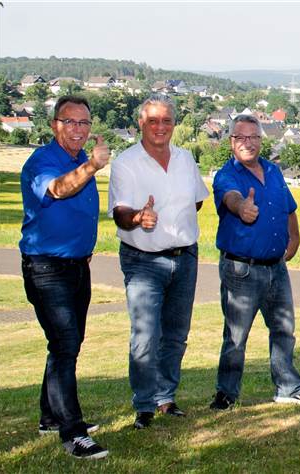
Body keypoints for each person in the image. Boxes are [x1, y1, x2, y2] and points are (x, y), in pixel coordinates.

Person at [108, 94, 209, 429]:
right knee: (145, 335)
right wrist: (139, 217)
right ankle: (144, 404)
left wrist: (173, 229)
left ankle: (166, 397)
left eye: (166, 120)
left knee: (176, 335)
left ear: (173, 124)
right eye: (153, 121)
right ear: (141, 123)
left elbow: (195, 202)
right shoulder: (126, 163)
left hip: (185, 257)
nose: (160, 127)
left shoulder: (185, 159)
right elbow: (119, 213)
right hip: (143, 261)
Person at [19, 96, 109, 459]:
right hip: (46, 267)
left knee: (66, 343)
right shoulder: (43, 161)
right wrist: (91, 167)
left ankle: (50, 417)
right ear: (55, 125)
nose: (77, 129)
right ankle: (73, 432)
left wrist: (85, 165)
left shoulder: (75, 160)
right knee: (65, 343)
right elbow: (57, 189)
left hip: (77, 267)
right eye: (69, 122)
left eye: (83, 123)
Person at [208, 114, 300, 410]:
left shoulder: (274, 171)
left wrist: (294, 239)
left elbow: (289, 208)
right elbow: (230, 198)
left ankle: (288, 388)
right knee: (236, 336)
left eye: (253, 137)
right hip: (241, 269)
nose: (247, 143)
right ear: (231, 142)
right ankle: (226, 393)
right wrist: (241, 206)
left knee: (283, 330)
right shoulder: (226, 175)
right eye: (240, 137)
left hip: (276, 268)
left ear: (260, 140)